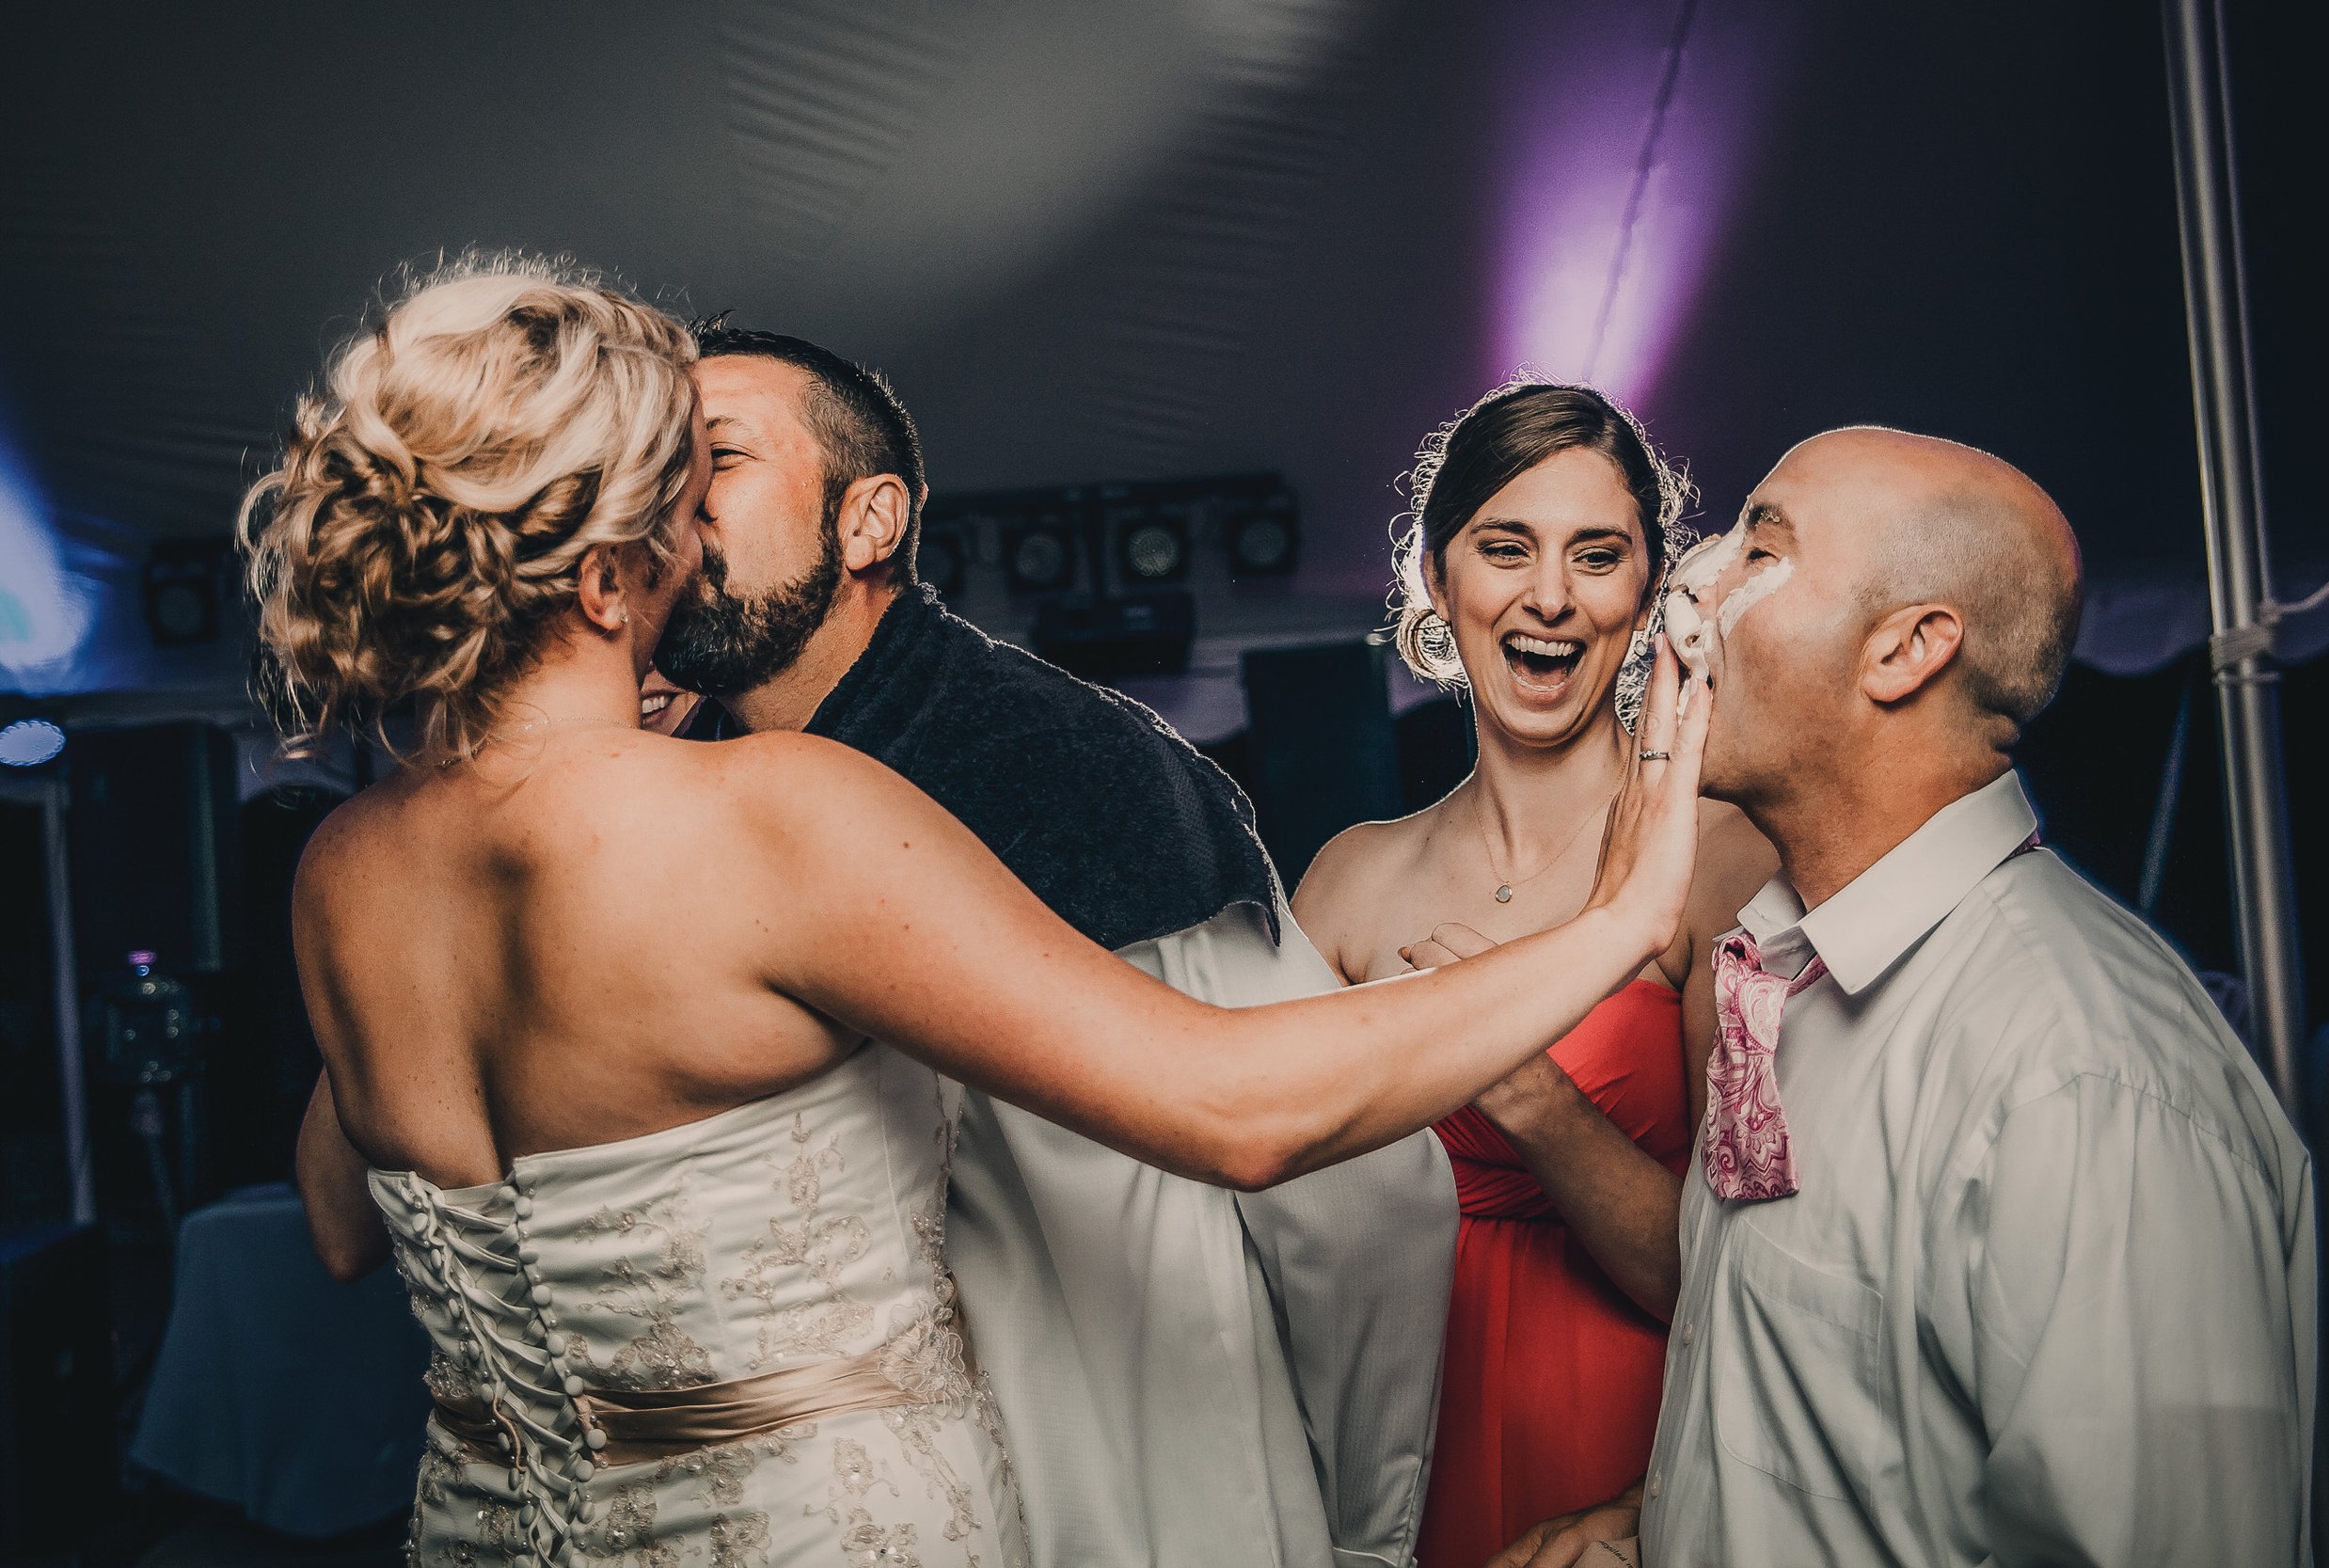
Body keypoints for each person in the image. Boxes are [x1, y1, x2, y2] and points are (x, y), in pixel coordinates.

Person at [266, 258, 1711, 1568]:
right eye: (672, 491)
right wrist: (1622, 912)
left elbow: (342, 1223)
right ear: (603, 568)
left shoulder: (349, 866)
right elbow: (1246, 1115)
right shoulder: (773, 808)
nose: (693, 526)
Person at [650, 324, 1462, 1568]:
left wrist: (1360, 1533)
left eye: (717, 459)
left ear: (868, 522)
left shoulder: (1078, 770)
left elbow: (1359, 1199)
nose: (671, 509)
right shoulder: (659, 814)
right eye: (652, 474)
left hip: (1129, 1502)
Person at [1639, 426, 2316, 1566]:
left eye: (1759, 550)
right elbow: (1857, 1460)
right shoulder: (1787, 974)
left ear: (1906, 649)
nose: (1691, 595)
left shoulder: (2081, 1081)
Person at [1293, 383, 1775, 1568]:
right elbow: (1268, 1231)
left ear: (1649, 590)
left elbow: (1753, 1292)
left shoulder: (1718, 861)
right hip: (1383, 1447)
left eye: (1595, 555)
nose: (1549, 595)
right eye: (1505, 547)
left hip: (1636, 1460)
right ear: (1435, 578)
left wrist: (1528, 1095)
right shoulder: (1349, 881)